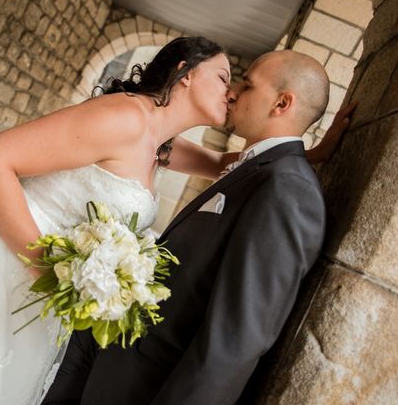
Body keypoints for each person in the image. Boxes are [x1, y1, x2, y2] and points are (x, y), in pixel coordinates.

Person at [0, 36, 347, 404]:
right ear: (185, 74)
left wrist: (310, 150)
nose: (231, 91)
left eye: (239, 84)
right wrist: (49, 269)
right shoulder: (123, 117)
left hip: (40, 298)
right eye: (223, 77)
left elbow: (234, 166)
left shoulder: (160, 144)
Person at [43, 49, 339, 404]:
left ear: (282, 103)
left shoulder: (289, 190)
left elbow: (235, 340)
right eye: (227, 80)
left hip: (138, 384)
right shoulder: (260, 169)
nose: (232, 92)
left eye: (247, 84)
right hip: (100, 353)